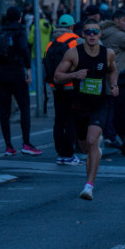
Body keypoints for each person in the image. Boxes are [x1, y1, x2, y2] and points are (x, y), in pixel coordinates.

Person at [54, 18, 119, 200]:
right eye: (88, 32)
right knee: (85, 147)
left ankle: (89, 185)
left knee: (92, 141)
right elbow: (57, 75)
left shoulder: (108, 54)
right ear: (83, 34)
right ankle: (95, 153)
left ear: (100, 35)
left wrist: (113, 85)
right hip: (79, 106)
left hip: (99, 104)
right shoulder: (74, 53)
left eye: (95, 32)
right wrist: (75, 74)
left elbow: (112, 70)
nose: (92, 35)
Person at [0, 6, 39, 156]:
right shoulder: (20, 32)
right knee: (24, 108)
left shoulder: (0, 32)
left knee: (5, 111)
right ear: (19, 17)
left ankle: (8, 146)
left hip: (2, 75)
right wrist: (28, 70)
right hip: (17, 73)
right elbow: (25, 51)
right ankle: (26, 143)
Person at [44, 15, 83, 165]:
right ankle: (70, 154)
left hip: (56, 87)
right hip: (72, 86)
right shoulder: (76, 42)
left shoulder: (51, 43)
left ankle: (61, 153)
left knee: (59, 120)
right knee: (71, 120)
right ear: (72, 27)